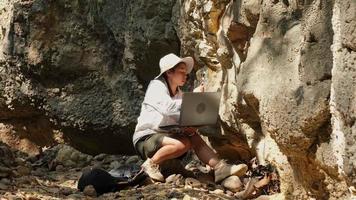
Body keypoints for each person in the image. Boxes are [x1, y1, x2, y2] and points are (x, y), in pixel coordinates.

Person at [132, 53, 248, 182]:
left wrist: (194, 119)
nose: (185, 75)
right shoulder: (156, 86)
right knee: (183, 143)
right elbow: (169, 109)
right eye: (181, 71)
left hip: (166, 137)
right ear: (169, 72)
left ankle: (220, 168)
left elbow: (182, 114)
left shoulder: (179, 93)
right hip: (146, 138)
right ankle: (150, 164)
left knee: (192, 135)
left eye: (186, 72)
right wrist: (192, 98)